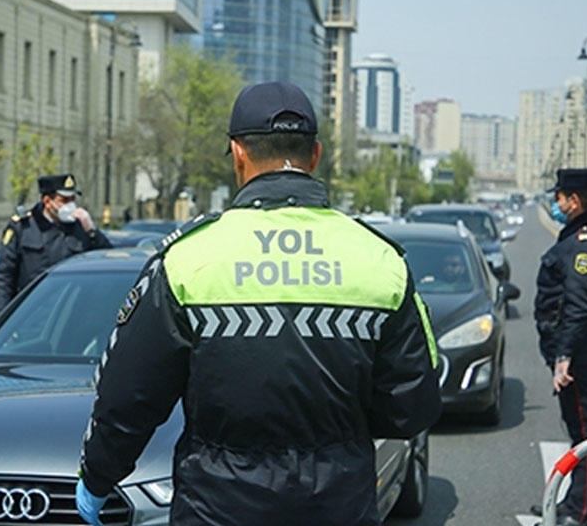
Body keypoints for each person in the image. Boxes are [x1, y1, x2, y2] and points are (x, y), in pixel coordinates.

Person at [75, 81, 442, 525]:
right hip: (338, 504)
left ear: (238, 153)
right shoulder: (379, 259)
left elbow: (127, 398)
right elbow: (412, 407)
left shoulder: (187, 259)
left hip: (217, 507)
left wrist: (97, 477)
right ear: (316, 156)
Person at [530, 168, 587, 526]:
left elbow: (579, 306)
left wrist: (564, 356)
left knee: (586, 432)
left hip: (578, 354)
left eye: (560, 197)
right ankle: (572, 502)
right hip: (582, 349)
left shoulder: (583, 245)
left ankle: (581, 512)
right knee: (580, 429)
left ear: (575, 200)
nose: (556, 203)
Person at [0, 173, 112, 315]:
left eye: (73, 199)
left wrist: (92, 232)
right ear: (47, 201)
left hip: (71, 315)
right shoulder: (23, 227)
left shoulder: (80, 227)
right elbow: (4, 277)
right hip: (31, 314)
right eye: (64, 200)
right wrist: (4, 321)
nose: (71, 205)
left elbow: (108, 261)